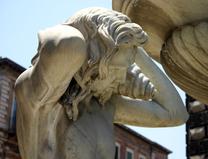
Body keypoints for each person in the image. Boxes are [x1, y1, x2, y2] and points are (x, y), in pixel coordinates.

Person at [15, 7, 188, 159]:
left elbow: (176, 114)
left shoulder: (105, 106)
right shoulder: (43, 103)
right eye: (118, 68)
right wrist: (89, 28)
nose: (123, 77)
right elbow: (67, 46)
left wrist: (134, 48)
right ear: (91, 60)